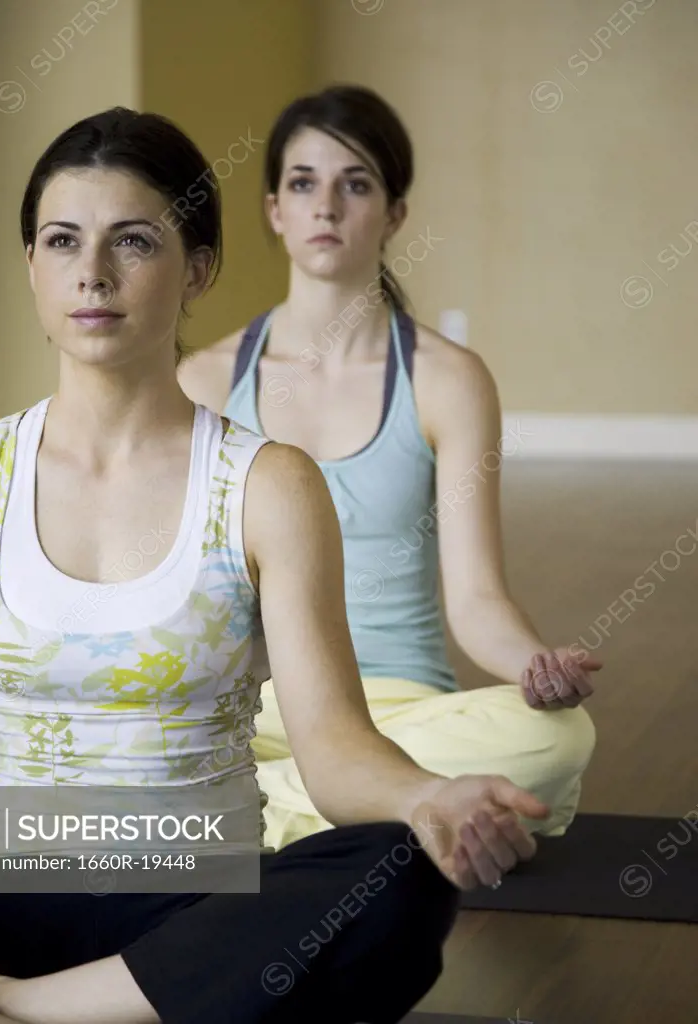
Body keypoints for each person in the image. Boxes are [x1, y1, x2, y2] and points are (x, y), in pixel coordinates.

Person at [0, 106, 548, 1024]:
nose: (92, 273)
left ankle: (16, 1010)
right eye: (62, 241)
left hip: (194, 890)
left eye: (132, 241)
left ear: (199, 269)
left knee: (395, 874)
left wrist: (427, 795)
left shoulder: (269, 484)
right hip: (0, 874)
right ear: (32, 265)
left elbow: (334, 751)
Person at [174, 84, 601, 853]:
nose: (326, 206)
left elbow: (475, 599)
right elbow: (181, 589)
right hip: (267, 713)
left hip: (405, 710)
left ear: (395, 214)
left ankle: (257, 816)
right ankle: (409, 804)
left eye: (356, 183)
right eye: (303, 183)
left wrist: (536, 665)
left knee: (559, 738)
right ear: (275, 209)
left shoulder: (446, 379)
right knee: (159, 732)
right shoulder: (205, 381)